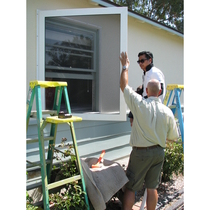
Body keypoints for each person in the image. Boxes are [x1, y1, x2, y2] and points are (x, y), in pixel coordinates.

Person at [119, 52, 179, 210]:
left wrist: (125, 67)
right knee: (152, 188)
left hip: (141, 153)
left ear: (146, 89)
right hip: (158, 152)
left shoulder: (139, 105)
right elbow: (173, 138)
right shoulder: (167, 112)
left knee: (131, 187)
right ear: (160, 92)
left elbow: (124, 86)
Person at [128, 51, 166, 126]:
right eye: (139, 61)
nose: (140, 63)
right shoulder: (146, 73)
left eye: (142, 61)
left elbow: (160, 90)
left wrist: (143, 99)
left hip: (154, 109)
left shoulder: (155, 72)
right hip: (146, 106)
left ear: (150, 60)